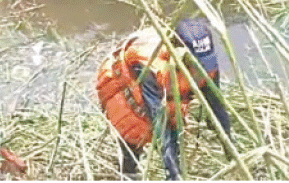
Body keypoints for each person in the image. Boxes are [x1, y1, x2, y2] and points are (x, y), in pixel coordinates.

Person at [96, 17, 231, 180]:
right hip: (126, 89)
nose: (202, 71)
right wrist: (173, 174)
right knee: (134, 130)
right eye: (196, 65)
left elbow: (216, 106)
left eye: (204, 63)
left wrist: (230, 150)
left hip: (168, 90)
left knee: (175, 118)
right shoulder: (151, 66)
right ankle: (129, 173)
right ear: (178, 55)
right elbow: (161, 123)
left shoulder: (206, 62)